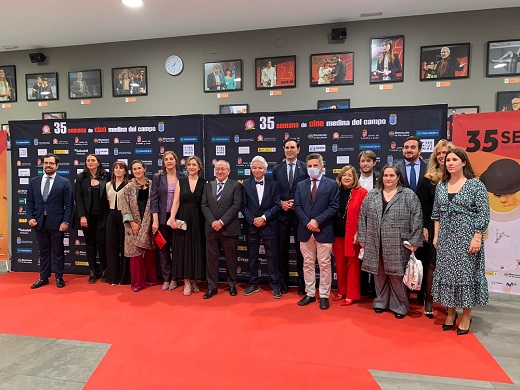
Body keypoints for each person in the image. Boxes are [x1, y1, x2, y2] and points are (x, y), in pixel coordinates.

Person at [432, 149, 490, 335]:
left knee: (465, 277)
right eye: (447, 160)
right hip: (446, 239)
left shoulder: (475, 185)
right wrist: (436, 236)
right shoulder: (441, 186)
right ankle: (450, 313)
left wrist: (477, 237)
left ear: (464, 162)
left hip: (467, 238)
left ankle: (466, 315)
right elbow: (437, 214)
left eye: (454, 159)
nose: (450, 163)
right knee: (448, 275)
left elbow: (483, 213)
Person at [357, 163, 423, 319]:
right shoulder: (372, 194)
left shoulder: (408, 195)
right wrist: (362, 237)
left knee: (397, 276)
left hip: (399, 243)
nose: (388, 178)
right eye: (385, 175)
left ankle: (400, 305)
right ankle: (380, 302)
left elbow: (417, 218)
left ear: (398, 177)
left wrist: (414, 240)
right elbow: (362, 216)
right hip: (375, 241)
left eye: (392, 175)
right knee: (379, 274)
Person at [294, 153, 339, 310]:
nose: (312, 168)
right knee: (307, 263)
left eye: (315, 165)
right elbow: (297, 206)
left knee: (325, 264)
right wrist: (308, 223)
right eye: (310, 166)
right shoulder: (301, 185)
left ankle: (324, 295)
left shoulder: (332, 184)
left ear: (322, 167)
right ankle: (310, 293)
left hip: (324, 229)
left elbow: (333, 207)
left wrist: (317, 221)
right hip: (305, 230)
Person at [27, 153, 74, 289]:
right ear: (42, 165)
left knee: (58, 252)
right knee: (43, 252)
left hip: (57, 223)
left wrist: (65, 222)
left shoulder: (64, 182)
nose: (48, 165)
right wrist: (30, 217)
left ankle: (59, 277)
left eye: (51, 163)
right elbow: (29, 202)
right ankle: (44, 277)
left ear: (57, 166)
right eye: (46, 163)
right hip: (39, 222)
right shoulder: (34, 181)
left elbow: (69, 204)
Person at [417, 139, 452, 318]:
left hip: (453, 228)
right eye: (438, 153)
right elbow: (421, 205)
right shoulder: (428, 179)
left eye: (444, 153)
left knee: (448, 266)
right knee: (431, 264)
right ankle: (429, 300)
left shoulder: (460, 179)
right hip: (432, 227)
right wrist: (423, 227)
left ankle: (447, 302)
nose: (441, 156)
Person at [241, 156, 282, 298]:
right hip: (252, 226)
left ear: (265, 169)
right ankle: (253, 284)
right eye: (254, 167)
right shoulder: (245, 184)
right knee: (252, 256)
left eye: (260, 167)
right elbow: (243, 206)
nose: (257, 170)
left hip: (268, 225)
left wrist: (263, 218)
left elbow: (277, 205)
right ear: (251, 169)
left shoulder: (274, 184)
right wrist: (253, 220)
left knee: (272, 256)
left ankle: (275, 285)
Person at [201, 160, 242, 299]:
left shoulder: (236, 185)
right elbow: (204, 205)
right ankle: (212, 287)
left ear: (229, 171)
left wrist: (222, 222)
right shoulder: (208, 186)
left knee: (231, 259)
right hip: (211, 228)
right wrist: (213, 222)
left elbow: (236, 206)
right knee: (211, 260)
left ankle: (232, 285)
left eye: (223, 169)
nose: (220, 171)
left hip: (229, 228)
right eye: (217, 169)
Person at [272, 138, 308, 294]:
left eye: (292, 147)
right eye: (287, 147)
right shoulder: (276, 169)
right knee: (282, 251)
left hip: (300, 216)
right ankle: (283, 283)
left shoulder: (306, 168)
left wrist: (298, 203)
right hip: (282, 215)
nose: (289, 150)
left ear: (298, 149)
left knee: (302, 252)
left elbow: (309, 191)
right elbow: (271, 192)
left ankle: (302, 284)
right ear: (284, 149)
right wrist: (280, 203)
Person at [168, 155, 207, 296]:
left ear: (199, 167)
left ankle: (195, 279)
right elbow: (176, 202)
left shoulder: (205, 182)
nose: (191, 167)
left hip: (199, 219)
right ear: (186, 167)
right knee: (184, 250)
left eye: (194, 165)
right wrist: (172, 218)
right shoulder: (181, 182)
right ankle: (186, 281)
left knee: (196, 249)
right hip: (183, 219)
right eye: (189, 164)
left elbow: (206, 203)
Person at [332, 165, 367, 306]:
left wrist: (360, 232)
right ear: (340, 178)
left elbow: (364, 215)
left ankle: (352, 294)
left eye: (350, 175)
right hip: (336, 234)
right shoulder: (335, 191)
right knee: (339, 264)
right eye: (344, 175)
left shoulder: (361, 192)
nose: (347, 178)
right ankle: (342, 291)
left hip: (353, 235)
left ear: (354, 178)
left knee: (352, 265)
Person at [479, 159, 520, 276]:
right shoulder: (482, 213)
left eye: (509, 193)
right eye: (497, 195)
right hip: (487, 270)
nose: (503, 199)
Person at [122, 160, 157, 292]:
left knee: (149, 254)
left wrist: (153, 221)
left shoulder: (153, 185)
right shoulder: (128, 187)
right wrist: (132, 223)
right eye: (134, 169)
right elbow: (125, 207)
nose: (137, 171)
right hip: (134, 225)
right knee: (135, 255)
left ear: (144, 169)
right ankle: (137, 283)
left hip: (149, 223)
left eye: (139, 168)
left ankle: (151, 279)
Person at [74, 154, 109, 283]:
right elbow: (78, 198)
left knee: (102, 244)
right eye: (88, 160)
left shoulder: (106, 176)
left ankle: (104, 270)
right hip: (87, 217)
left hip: (103, 216)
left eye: (93, 160)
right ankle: (93, 271)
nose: (90, 162)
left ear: (98, 163)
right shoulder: (81, 177)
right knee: (90, 244)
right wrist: (82, 216)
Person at [150, 151, 181, 291]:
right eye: (166, 159)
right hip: (162, 219)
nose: (169, 161)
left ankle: (175, 278)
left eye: (171, 159)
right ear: (163, 163)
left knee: (177, 249)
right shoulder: (157, 177)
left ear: (176, 161)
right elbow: (154, 200)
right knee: (163, 249)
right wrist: (155, 220)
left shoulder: (183, 176)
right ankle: (166, 278)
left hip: (177, 219)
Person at [105, 161, 131, 285]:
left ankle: (124, 278)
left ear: (125, 171)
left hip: (124, 217)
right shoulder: (108, 185)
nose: (118, 170)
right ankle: (112, 277)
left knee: (125, 247)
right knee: (111, 247)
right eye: (116, 168)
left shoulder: (129, 185)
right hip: (111, 216)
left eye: (121, 168)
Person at [358, 150, 378, 296]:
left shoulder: (381, 180)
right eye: (363, 161)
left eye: (368, 161)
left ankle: (377, 290)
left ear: (374, 163)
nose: (365, 164)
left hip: (376, 223)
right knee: (360, 257)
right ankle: (363, 289)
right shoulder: (353, 179)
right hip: (358, 223)